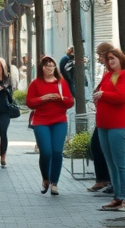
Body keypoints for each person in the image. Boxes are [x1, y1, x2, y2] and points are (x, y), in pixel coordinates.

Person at [94, 48, 125, 212]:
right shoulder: (107, 76)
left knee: (121, 163)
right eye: (107, 59)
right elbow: (99, 93)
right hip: (103, 124)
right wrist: (98, 95)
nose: (110, 62)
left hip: (119, 124)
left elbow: (122, 96)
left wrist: (103, 95)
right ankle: (117, 197)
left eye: (113, 58)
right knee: (111, 164)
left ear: (120, 59)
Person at [27, 56, 74, 196]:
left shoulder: (61, 83)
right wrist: (43, 99)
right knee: (46, 152)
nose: (49, 68)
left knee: (57, 151)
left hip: (59, 120)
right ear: (42, 68)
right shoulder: (35, 83)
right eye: (46, 66)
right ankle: (45, 178)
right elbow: (29, 102)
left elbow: (70, 102)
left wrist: (61, 98)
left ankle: (54, 183)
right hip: (41, 121)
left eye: (52, 66)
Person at [87, 42, 114, 193]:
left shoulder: (114, 72)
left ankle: (108, 180)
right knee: (96, 146)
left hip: (111, 119)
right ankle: (103, 179)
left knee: (100, 147)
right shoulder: (106, 71)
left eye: (99, 54)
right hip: (103, 116)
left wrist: (102, 94)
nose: (98, 58)